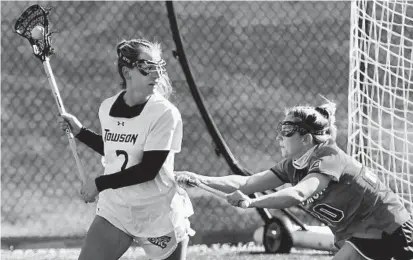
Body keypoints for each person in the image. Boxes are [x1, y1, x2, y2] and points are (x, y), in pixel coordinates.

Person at [176, 100, 413, 260]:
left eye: (287, 132)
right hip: (360, 234)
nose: (279, 137)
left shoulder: (329, 158)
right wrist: (199, 179)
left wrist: (252, 203)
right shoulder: (294, 165)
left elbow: (298, 194)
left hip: (390, 227)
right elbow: (246, 183)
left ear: (306, 139)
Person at [59, 38, 194, 260]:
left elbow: (147, 169)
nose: (156, 75)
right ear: (127, 72)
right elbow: (117, 149)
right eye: (147, 68)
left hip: (157, 213)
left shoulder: (164, 113)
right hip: (116, 209)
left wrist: (98, 184)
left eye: (158, 68)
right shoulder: (107, 107)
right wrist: (80, 132)